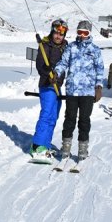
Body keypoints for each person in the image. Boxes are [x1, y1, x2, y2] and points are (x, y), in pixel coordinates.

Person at [53, 20, 104, 160]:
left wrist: (98, 87)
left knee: (84, 120)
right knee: (69, 119)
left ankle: (82, 149)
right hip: (72, 90)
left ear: (89, 33)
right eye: (79, 32)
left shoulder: (95, 50)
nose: (82, 35)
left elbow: (100, 69)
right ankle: (66, 147)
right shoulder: (71, 48)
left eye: (85, 32)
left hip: (87, 92)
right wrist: (57, 73)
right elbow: (63, 63)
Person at [29, 19, 68, 162]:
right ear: (52, 32)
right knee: (46, 115)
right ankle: (37, 147)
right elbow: (40, 65)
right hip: (47, 85)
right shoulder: (44, 45)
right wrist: (48, 73)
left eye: (62, 34)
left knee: (53, 116)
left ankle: (45, 145)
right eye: (56, 33)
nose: (58, 36)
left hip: (58, 86)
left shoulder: (65, 46)